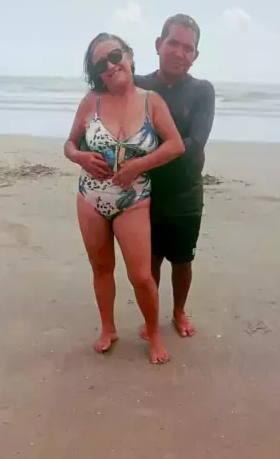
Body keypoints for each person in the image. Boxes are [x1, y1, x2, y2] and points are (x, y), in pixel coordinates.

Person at [64, 33, 185, 364]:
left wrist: (139, 166)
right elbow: (69, 144)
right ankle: (108, 329)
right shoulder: (91, 101)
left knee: (141, 276)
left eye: (115, 56)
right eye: (100, 64)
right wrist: (80, 157)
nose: (110, 65)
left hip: (134, 200)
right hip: (90, 198)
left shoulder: (151, 101)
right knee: (101, 267)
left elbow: (175, 145)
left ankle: (154, 334)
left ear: (129, 56)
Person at [135, 14, 216, 338]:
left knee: (182, 260)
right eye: (173, 43)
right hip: (145, 191)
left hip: (185, 192)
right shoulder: (138, 86)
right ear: (158, 44)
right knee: (150, 259)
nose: (180, 53)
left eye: (188, 48)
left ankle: (179, 311)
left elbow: (195, 144)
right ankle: (152, 314)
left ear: (195, 55)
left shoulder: (202, 91)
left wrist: (145, 159)